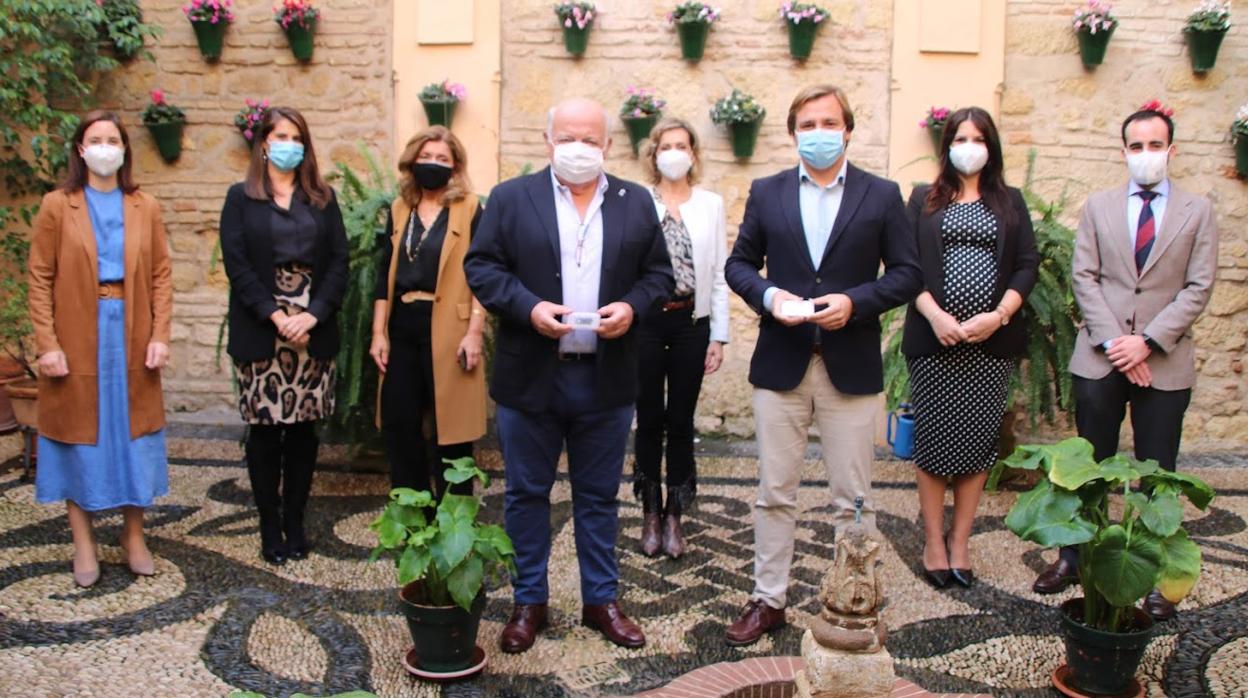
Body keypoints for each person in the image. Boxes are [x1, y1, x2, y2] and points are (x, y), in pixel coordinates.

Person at [464, 97, 674, 653]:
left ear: (607, 146)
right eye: (568, 138)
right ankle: (528, 601)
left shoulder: (635, 202)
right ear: (548, 140)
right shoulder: (510, 198)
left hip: (605, 378)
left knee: (599, 496)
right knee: (526, 495)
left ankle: (600, 600)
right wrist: (528, 307)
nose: (579, 148)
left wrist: (631, 308)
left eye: (590, 139)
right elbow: (481, 268)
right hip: (531, 375)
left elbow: (659, 277)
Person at [722, 84, 921, 646]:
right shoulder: (768, 191)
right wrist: (769, 297)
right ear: (793, 133)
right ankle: (768, 599)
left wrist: (856, 302)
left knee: (852, 496)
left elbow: (907, 273)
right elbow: (739, 265)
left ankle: (855, 598)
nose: (818, 133)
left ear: (848, 129)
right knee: (773, 490)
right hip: (781, 364)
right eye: (807, 124)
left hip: (849, 365)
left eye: (828, 122)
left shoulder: (881, 195)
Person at [1032, 102, 1217, 621]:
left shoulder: (1196, 211)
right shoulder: (1098, 207)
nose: (1145, 155)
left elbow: (1199, 286)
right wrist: (1119, 342)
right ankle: (1073, 556)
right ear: (1123, 152)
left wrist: (1149, 343)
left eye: (1155, 146)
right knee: (1087, 467)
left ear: (1171, 150)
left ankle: (1158, 574)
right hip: (1100, 357)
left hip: (1166, 361)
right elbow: (1084, 277)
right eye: (1136, 147)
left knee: (1159, 473)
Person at [27, 111, 173, 588]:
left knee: (134, 438)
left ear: (125, 150)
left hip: (131, 332)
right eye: (96, 139)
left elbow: (161, 276)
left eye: (114, 139)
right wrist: (47, 344)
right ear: (80, 149)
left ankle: (134, 536)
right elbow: (40, 277)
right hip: (77, 333)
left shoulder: (143, 206)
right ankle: (84, 543)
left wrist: (159, 335)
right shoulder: (57, 205)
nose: (106, 146)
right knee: (78, 437)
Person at [901, 107, 1038, 590]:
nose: (969, 145)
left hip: (989, 342)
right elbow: (906, 264)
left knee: (977, 441)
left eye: (978, 137)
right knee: (935, 440)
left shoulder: (1010, 201)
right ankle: (934, 541)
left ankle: (962, 541)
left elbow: (1027, 265)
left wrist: (998, 315)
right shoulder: (923, 199)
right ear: (947, 145)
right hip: (934, 341)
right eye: (960, 137)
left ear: (991, 146)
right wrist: (936, 315)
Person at [219, 107, 348, 566]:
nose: (289, 142)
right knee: (265, 433)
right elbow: (237, 266)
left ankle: (295, 520)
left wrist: (311, 315)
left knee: (302, 433)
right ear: (264, 144)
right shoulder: (240, 198)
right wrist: (276, 315)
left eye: (297, 135)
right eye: (280, 135)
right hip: (262, 328)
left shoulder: (323, 199)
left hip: (312, 330)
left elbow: (339, 265)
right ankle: (269, 525)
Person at [369, 126, 486, 498]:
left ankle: (454, 514)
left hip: (451, 327)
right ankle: (412, 513)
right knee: (400, 422)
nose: (432, 164)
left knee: (452, 429)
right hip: (402, 324)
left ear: (454, 167)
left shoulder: (469, 207)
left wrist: (474, 333)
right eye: (426, 157)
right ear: (411, 161)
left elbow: (483, 273)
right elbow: (383, 271)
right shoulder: (400, 208)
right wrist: (378, 333)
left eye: (441, 159)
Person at [633, 117, 729, 559]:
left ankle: (676, 514)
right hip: (647, 323)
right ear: (654, 154)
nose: (674, 152)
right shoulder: (637, 202)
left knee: (681, 422)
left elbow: (719, 275)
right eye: (666, 145)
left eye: (682, 145)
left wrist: (719, 336)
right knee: (649, 419)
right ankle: (650, 512)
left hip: (693, 323)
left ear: (693, 154)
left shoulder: (710, 204)